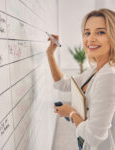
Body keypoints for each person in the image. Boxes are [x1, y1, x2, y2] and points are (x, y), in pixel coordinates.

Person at [46, 8, 115, 150]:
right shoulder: (95, 70)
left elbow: (94, 137)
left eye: (100, 32)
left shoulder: (109, 76)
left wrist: (70, 113)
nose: (91, 38)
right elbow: (63, 84)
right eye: (87, 33)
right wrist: (50, 55)